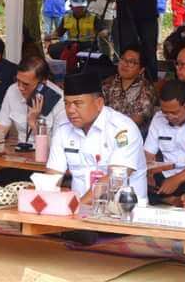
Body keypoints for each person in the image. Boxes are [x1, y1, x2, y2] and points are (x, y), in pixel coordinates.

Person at [48, 71, 148, 204]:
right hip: (79, 213)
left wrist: (77, 206)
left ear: (99, 103)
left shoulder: (122, 129)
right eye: (66, 103)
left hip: (123, 213)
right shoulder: (63, 128)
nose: (70, 110)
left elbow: (115, 180)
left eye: (78, 103)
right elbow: (53, 176)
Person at [0, 56, 65, 144]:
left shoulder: (60, 102)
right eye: (17, 81)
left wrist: (34, 122)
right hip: (19, 152)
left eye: (25, 84)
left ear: (42, 83)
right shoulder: (12, 90)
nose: (20, 87)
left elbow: (57, 147)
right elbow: (1, 129)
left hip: (45, 153)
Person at [101, 45, 157, 137]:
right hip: (106, 131)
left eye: (132, 62)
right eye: (123, 59)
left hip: (133, 135)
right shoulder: (108, 83)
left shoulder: (146, 89)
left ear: (141, 70)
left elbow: (137, 120)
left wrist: (112, 130)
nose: (125, 64)